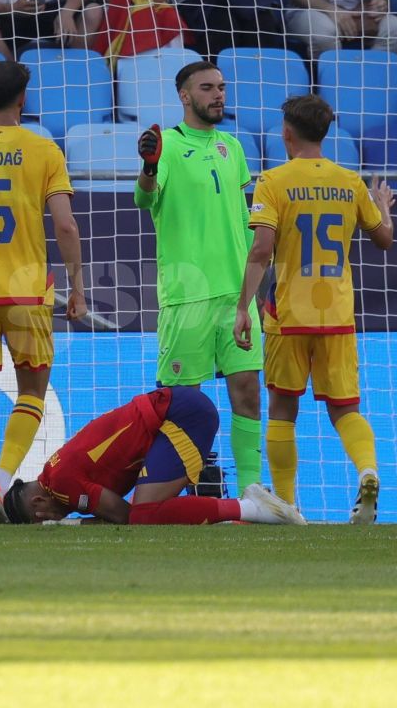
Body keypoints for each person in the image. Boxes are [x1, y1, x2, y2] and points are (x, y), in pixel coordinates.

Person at [232, 94, 395, 522]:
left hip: (288, 315)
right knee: (345, 409)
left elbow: (261, 250)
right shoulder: (350, 181)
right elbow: (384, 239)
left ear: (287, 133)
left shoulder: (273, 181)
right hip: (337, 315)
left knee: (283, 408)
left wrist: (243, 306)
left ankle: (288, 504)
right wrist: (382, 207)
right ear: (325, 133)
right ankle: (367, 470)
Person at [0, 60, 87, 522]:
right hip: (26, 293)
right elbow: (65, 225)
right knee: (31, 393)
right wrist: (77, 286)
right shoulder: (44, 150)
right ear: (23, 99)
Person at [135, 61, 263, 495]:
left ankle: (250, 493)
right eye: (207, 88)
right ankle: (190, 484)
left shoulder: (233, 147)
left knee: (248, 392)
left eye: (221, 87)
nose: (218, 95)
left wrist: (251, 292)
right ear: (185, 96)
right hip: (187, 296)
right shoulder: (168, 145)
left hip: (235, 295)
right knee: (181, 401)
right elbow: (143, 199)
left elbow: (241, 218)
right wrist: (149, 167)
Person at [1, 386, 306, 525]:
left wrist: (85, 522)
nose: (52, 520)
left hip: (180, 417)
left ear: (37, 502)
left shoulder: (60, 485)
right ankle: (253, 504)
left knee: (143, 514)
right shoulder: (53, 472)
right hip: (176, 411)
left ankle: (252, 508)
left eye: (42, 519)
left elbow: (122, 515)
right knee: (144, 510)